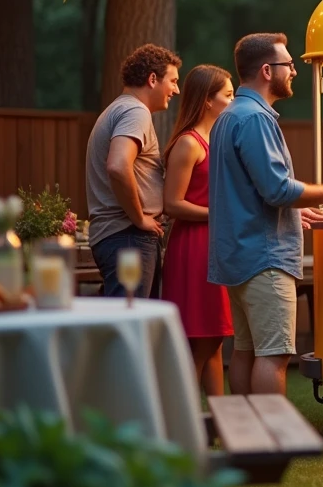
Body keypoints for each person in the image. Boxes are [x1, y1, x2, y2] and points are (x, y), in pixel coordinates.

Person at [209, 33, 323, 396]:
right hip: (264, 258)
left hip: (238, 254)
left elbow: (248, 191)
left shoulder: (228, 116)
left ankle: (245, 435)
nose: (294, 72)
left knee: (246, 350)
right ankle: (270, 440)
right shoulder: (255, 119)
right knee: (274, 355)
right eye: (289, 65)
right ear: (268, 71)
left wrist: (294, 212)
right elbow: (276, 189)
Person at [161, 65, 236, 398]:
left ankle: (221, 423)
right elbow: (172, 204)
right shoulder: (188, 144)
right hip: (193, 247)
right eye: (228, 96)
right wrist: (220, 215)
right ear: (207, 100)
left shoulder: (215, 139)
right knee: (200, 343)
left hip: (213, 245)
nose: (233, 102)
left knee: (215, 339)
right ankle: (183, 426)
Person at [85, 44, 181, 299]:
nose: (176, 89)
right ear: (152, 79)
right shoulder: (134, 111)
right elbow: (117, 165)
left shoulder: (119, 108)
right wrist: (139, 218)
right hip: (127, 236)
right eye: (172, 81)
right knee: (130, 330)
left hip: (121, 238)